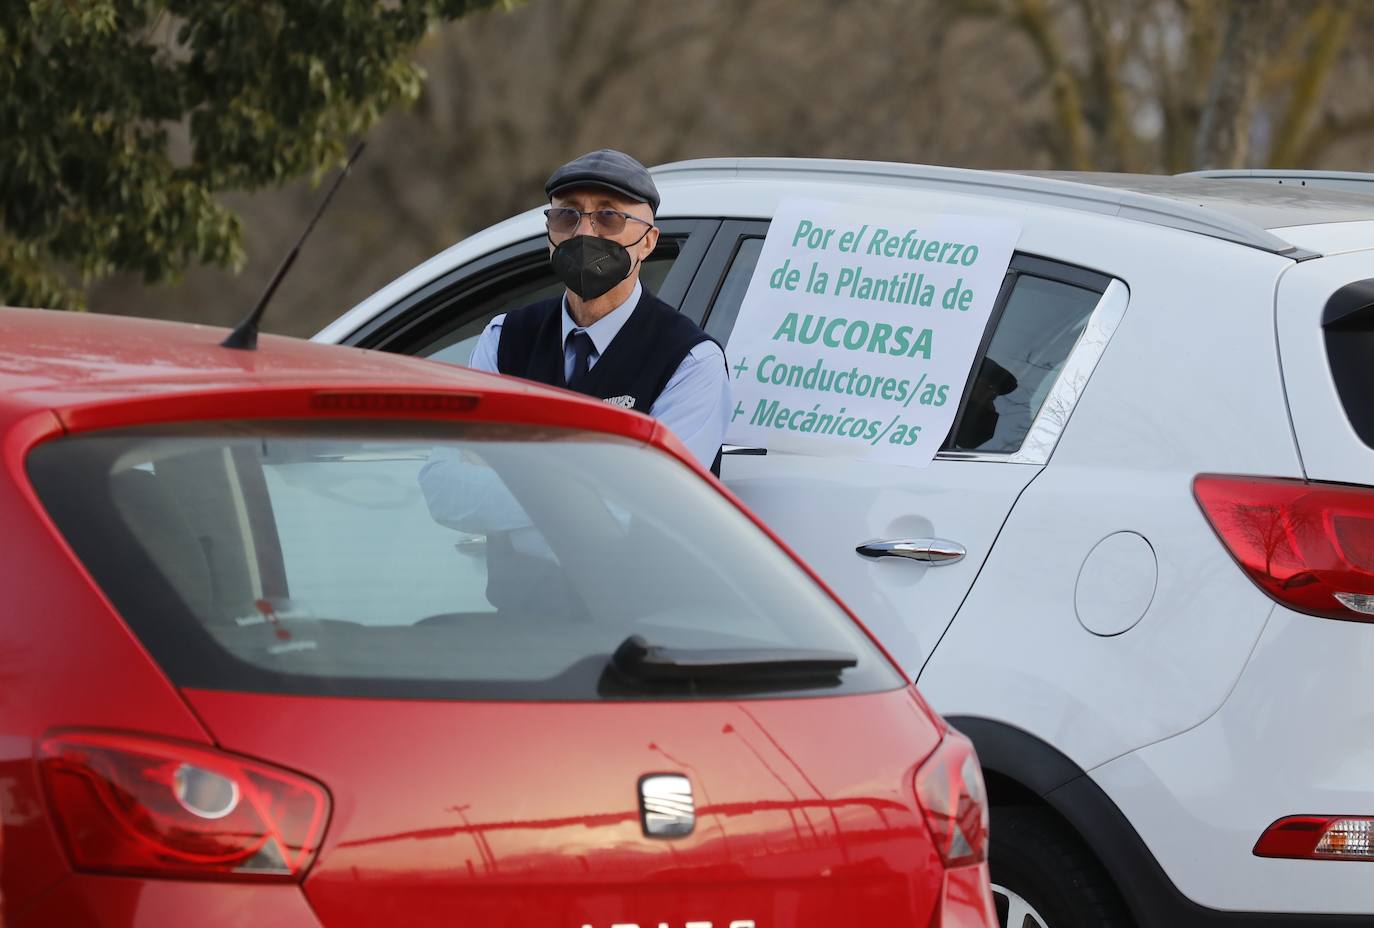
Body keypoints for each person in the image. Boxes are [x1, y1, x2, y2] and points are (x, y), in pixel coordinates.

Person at [419, 149, 731, 613]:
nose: (585, 233)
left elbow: (650, 509)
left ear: (647, 241)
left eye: (608, 217)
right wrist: (593, 486)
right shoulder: (505, 340)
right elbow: (442, 486)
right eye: (568, 216)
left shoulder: (690, 361)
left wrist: (512, 472)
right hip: (521, 626)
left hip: (646, 637)